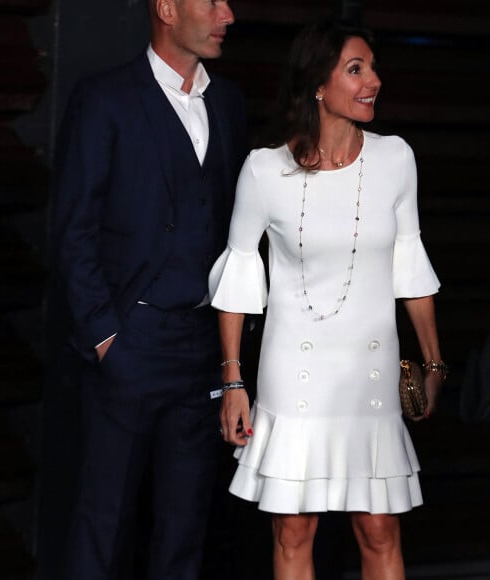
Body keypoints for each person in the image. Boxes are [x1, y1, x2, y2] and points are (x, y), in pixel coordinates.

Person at [208, 19, 447, 580]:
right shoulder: (265, 170)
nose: (374, 82)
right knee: (294, 528)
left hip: (370, 368)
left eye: (372, 68)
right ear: (319, 83)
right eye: (356, 70)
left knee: (379, 527)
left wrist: (433, 362)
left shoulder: (396, 159)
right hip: (295, 372)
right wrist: (234, 381)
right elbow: (239, 281)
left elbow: (409, 266)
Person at [52, 0, 246, 578]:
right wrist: (108, 337)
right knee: (103, 529)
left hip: (200, 349)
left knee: (185, 535)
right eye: (211, 2)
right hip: (130, 343)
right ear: (166, 7)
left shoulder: (229, 102)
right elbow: (73, 229)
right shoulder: (105, 98)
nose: (227, 15)